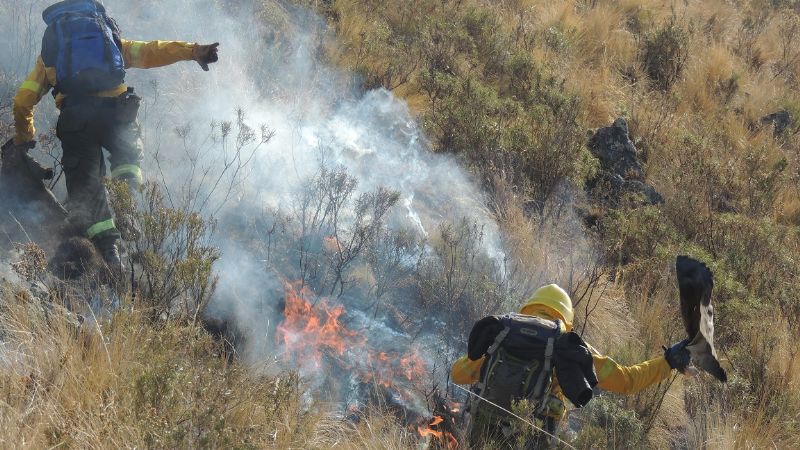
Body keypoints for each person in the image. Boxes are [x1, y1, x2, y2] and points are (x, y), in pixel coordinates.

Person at [8, 0, 220, 274]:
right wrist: (192, 51)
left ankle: (110, 255)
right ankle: (129, 211)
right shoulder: (109, 41)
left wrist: (26, 135)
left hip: (77, 120)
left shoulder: (52, 53)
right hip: (118, 112)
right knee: (128, 160)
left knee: (88, 188)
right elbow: (150, 51)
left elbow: (22, 100)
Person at [451, 284, 691, 448]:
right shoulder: (567, 345)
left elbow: (457, 375)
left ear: (529, 308)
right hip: (534, 438)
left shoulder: (504, 333)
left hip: (483, 433)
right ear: (566, 319)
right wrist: (668, 361)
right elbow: (626, 381)